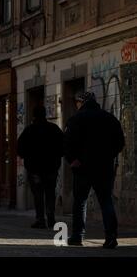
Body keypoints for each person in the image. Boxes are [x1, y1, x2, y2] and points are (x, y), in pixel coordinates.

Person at [64, 91, 125, 249]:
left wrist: (73, 160)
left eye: (77, 102)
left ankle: (78, 236)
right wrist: (108, 156)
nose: (76, 105)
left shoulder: (76, 119)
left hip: (82, 167)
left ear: (81, 102)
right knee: (106, 201)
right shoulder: (109, 118)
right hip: (104, 167)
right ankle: (111, 237)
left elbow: (67, 143)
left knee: (80, 202)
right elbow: (120, 142)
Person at [17, 106, 64, 229]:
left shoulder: (29, 130)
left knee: (38, 194)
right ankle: (51, 219)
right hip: (51, 168)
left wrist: (28, 157)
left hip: (34, 170)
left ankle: (40, 219)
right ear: (45, 115)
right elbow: (63, 146)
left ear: (33, 116)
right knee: (50, 193)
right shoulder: (54, 129)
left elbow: (20, 148)